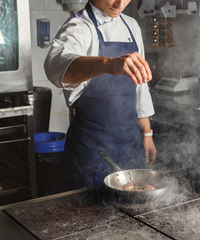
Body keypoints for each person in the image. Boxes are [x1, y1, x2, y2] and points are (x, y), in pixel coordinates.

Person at [44, 0, 157, 190]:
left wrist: (147, 133)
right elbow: (55, 67)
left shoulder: (132, 26)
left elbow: (141, 86)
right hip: (92, 148)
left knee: (133, 211)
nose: (120, 3)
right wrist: (107, 64)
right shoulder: (79, 26)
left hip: (130, 143)